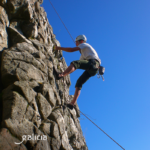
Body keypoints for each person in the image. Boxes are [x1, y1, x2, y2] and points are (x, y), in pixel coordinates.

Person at [54, 35, 101, 109]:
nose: (76, 44)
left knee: (75, 63)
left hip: (92, 63)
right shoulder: (84, 55)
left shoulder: (84, 44)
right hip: (94, 69)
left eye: (76, 43)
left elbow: (71, 50)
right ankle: (72, 104)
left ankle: (61, 75)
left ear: (81, 41)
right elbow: (78, 65)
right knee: (79, 82)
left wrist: (58, 48)